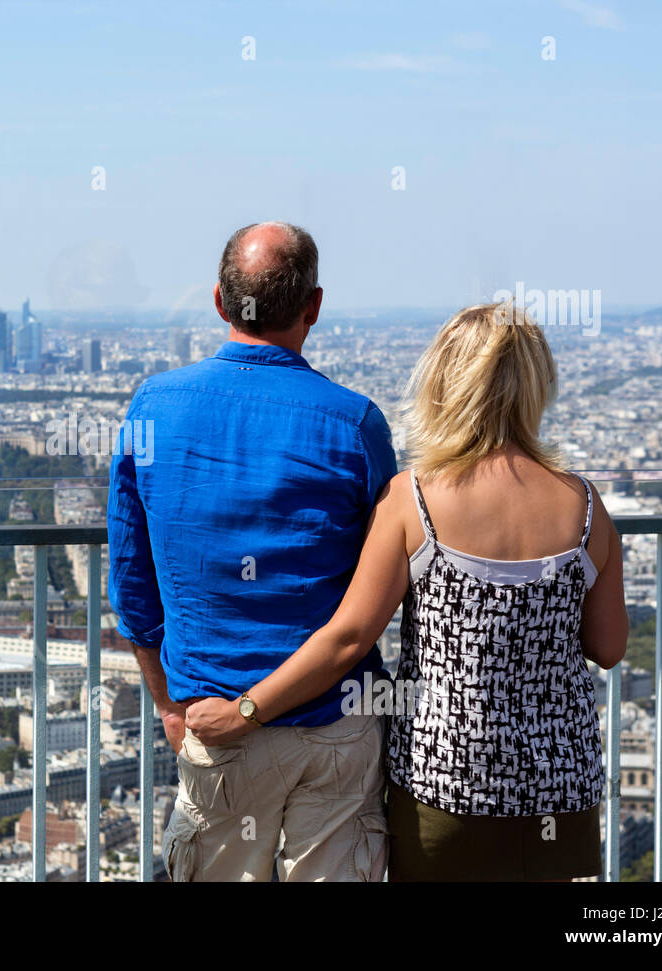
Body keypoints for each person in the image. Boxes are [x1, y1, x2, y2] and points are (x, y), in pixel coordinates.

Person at [186, 302, 628, 881]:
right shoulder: (587, 507)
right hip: (557, 787)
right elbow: (609, 646)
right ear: (536, 387)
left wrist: (247, 710)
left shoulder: (414, 500)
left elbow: (347, 638)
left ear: (446, 382)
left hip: (444, 781)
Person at [107, 221, 397, 882]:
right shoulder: (355, 424)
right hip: (336, 723)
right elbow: (382, 582)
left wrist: (168, 704)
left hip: (215, 719)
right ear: (313, 307)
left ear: (218, 300)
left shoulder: (154, 408)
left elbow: (131, 584)